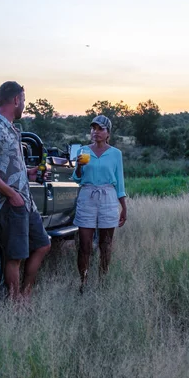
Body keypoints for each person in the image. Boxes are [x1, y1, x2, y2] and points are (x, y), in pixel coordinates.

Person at [0, 81, 51, 299]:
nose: (24, 105)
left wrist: (28, 174)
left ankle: (25, 295)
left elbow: (6, 166)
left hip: (25, 201)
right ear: (16, 100)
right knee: (15, 257)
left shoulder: (10, 129)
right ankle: (15, 304)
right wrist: (12, 194)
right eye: (24, 100)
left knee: (43, 245)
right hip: (11, 204)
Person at [72, 115, 127, 291]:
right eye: (93, 128)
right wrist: (79, 166)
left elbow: (119, 182)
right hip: (87, 195)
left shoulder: (115, 154)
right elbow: (76, 178)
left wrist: (123, 207)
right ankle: (83, 282)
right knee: (85, 244)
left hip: (108, 197)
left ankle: (103, 281)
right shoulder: (83, 151)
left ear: (108, 133)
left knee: (106, 243)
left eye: (100, 129)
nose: (96, 132)